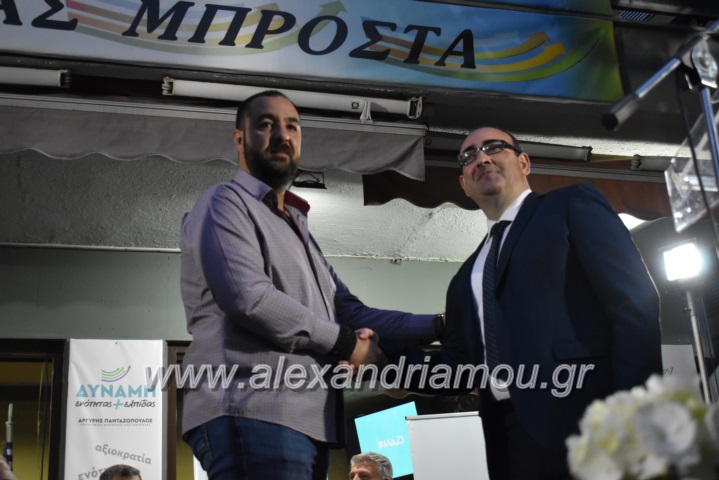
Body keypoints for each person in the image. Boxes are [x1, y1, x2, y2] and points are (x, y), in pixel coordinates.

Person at [179, 90, 443, 480]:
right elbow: (249, 298)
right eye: (266, 124)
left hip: (308, 424)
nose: (281, 135)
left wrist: (441, 325)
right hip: (252, 409)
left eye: (292, 126)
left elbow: (349, 312)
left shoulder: (300, 230)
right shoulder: (224, 202)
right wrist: (348, 344)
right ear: (239, 139)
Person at [385, 126, 662, 479]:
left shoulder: (570, 205)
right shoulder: (464, 279)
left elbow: (634, 302)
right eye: (468, 156)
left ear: (524, 163)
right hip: (507, 441)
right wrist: (381, 357)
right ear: (464, 184)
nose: (481, 158)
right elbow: (457, 368)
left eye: (494, 147)